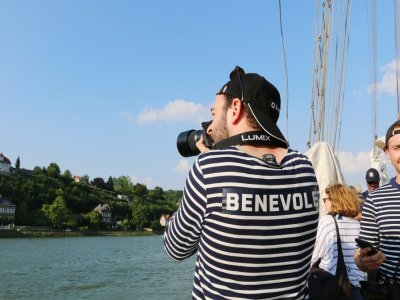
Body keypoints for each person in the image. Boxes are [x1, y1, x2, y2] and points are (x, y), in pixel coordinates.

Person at [164, 66, 320, 299]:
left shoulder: (210, 168)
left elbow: (176, 249)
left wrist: (209, 160)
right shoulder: (303, 167)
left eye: (214, 113)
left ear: (235, 108)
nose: (208, 127)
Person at [354, 119, 400, 299]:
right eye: (397, 148)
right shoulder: (375, 199)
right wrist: (363, 259)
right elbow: (361, 255)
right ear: (387, 153)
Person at [310, 183, 366, 299]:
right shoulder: (358, 225)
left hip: (335, 287)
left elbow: (315, 256)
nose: (324, 203)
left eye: (325, 200)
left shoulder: (327, 222)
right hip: (357, 289)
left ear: (333, 201)